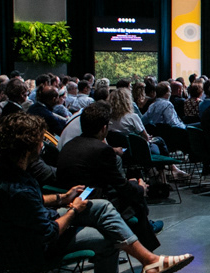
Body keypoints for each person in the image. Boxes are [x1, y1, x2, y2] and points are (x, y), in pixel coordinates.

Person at [0, 113, 192, 273]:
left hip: (20, 232)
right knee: (108, 236)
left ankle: (150, 261)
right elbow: (49, 233)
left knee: (101, 206)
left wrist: (62, 198)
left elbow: (28, 203)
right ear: (27, 146)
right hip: (30, 249)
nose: (42, 145)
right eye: (40, 140)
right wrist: (74, 210)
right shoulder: (17, 189)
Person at [56, 101, 165, 255]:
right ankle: (149, 246)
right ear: (104, 128)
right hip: (91, 202)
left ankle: (146, 241)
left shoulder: (69, 145)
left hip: (72, 198)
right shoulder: (102, 150)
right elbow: (120, 187)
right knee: (136, 197)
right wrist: (139, 187)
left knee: (132, 190)